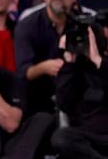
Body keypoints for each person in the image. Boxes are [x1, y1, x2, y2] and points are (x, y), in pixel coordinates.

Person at [14, 0, 84, 115]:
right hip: (39, 101)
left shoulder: (85, 24)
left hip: (79, 98)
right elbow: (22, 73)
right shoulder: (27, 25)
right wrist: (43, 68)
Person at [51, 25, 108, 158]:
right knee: (61, 138)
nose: (82, 43)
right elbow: (63, 104)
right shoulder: (71, 70)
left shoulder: (105, 65)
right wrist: (69, 62)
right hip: (86, 138)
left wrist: (97, 60)